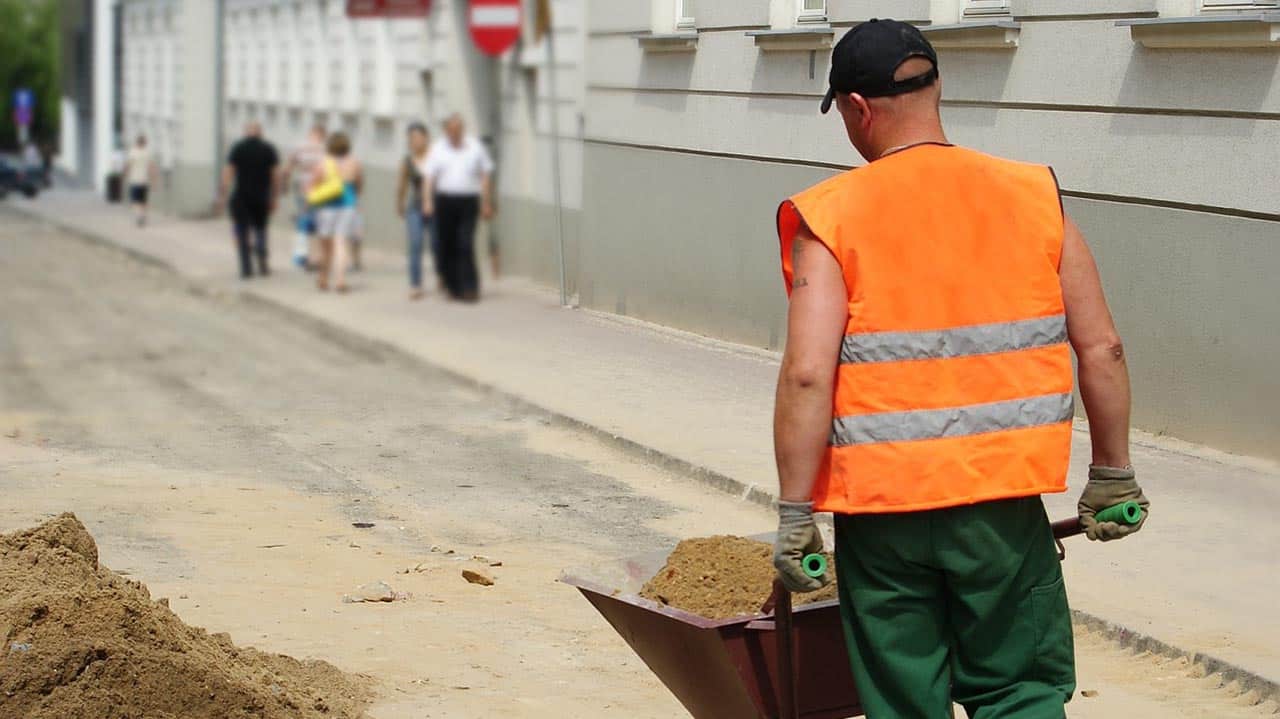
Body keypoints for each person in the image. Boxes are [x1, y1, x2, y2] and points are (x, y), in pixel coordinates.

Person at [770, 20, 1150, 719]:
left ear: (857, 108)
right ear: (937, 84)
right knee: (1019, 689)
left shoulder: (831, 215)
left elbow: (805, 373)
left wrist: (797, 513)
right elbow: (1102, 347)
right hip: (1001, 506)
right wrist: (1113, 471)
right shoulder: (1034, 195)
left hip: (883, 514)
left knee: (903, 696)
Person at [422, 114, 494, 302]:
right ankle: (453, 286)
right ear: (446, 131)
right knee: (447, 244)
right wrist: (428, 202)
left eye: (458, 130)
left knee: (465, 242)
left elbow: (485, 173)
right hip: (445, 200)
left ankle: (470, 287)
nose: (454, 134)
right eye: (451, 130)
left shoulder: (474, 147)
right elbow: (429, 177)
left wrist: (486, 202)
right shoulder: (438, 149)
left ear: (462, 130)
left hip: (468, 200)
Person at [220, 121, 280, 279]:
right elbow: (275, 176)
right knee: (261, 230)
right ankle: (262, 261)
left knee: (242, 230)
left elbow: (229, 171)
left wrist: (223, 194)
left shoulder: (238, 147)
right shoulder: (269, 149)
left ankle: (246, 267)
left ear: (246, 132)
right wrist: (274, 197)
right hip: (261, 197)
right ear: (260, 133)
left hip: (241, 196)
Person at [310, 131, 362, 293]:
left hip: (326, 207)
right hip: (348, 206)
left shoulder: (323, 163)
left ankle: (323, 278)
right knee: (341, 243)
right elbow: (359, 185)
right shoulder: (354, 163)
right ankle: (340, 279)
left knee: (325, 246)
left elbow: (314, 185)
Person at [396, 122, 434, 300]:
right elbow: (402, 184)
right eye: (411, 139)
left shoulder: (436, 158)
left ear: (426, 138)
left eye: (418, 137)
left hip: (437, 208)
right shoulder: (407, 161)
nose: (415, 141)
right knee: (416, 243)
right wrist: (400, 203)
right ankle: (415, 284)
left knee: (437, 245)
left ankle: (443, 276)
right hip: (415, 208)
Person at [280, 124, 327, 270]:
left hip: (303, 189)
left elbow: (288, 168)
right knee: (320, 223)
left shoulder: (300, 147)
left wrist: (284, 185)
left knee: (303, 221)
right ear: (323, 135)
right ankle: (319, 256)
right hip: (321, 191)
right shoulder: (325, 149)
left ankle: (301, 256)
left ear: (311, 133)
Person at [122, 135, 156, 226]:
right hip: (144, 180)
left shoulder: (133, 152)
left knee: (135, 200)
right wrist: (153, 180)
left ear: (137, 142)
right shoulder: (147, 153)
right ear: (145, 143)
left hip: (135, 180)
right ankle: (143, 215)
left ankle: (139, 216)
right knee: (144, 200)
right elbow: (151, 167)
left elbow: (128, 165)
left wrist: (124, 175)